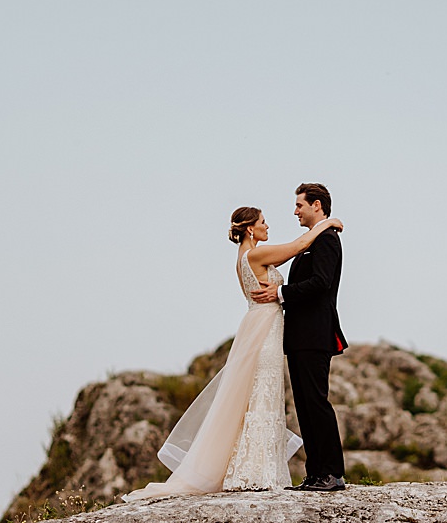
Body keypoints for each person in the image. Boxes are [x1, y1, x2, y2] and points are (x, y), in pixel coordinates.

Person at [123, 205, 343, 500]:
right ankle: (257, 470)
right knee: (262, 396)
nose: (269, 226)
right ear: (250, 228)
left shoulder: (243, 258)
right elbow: (299, 245)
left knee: (260, 397)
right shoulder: (254, 255)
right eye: (264, 222)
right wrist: (329, 223)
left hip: (263, 327)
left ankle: (262, 468)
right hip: (265, 332)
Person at [250, 183, 348, 492]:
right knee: (304, 406)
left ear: (317, 206)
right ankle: (314, 473)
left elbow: (321, 283)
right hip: (299, 336)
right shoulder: (312, 241)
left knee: (316, 403)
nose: (295, 211)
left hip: (315, 334)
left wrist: (279, 293)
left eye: (300, 205)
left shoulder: (328, 241)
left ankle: (332, 473)